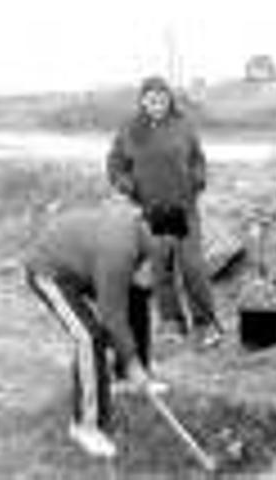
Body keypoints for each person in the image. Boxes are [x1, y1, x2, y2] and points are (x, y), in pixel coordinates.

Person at [24, 200, 178, 458]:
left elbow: (133, 290)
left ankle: (125, 379)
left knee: (137, 298)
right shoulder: (118, 248)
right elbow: (112, 314)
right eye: (165, 243)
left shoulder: (141, 228)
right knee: (89, 337)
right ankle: (85, 426)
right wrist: (132, 361)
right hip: (49, 271)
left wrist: (131, 363)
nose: (166, 251)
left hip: (82, 263)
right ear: (151, 231)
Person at [107, 75, 223, 347]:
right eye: (151, 98)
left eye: (162, 97)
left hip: (184, 206)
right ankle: (171, 322)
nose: (157, 102)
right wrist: (127, 185)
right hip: (154, 208)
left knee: (192, 266)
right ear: (142, 101)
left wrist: (198, 179)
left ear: (169, 99)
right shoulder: (130, 129)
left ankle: (205, 324)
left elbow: (198, 158)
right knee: (162, 268)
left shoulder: (183, 125)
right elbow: (115, 164)